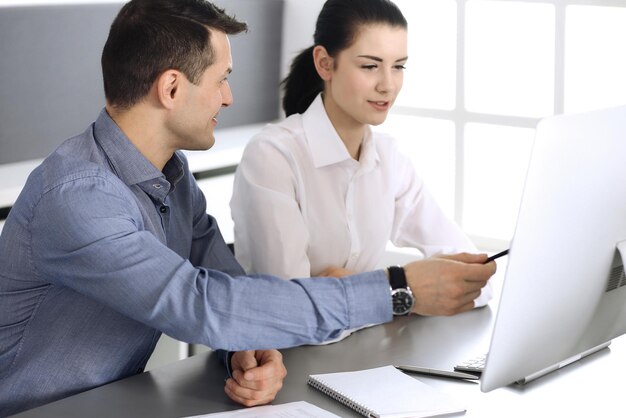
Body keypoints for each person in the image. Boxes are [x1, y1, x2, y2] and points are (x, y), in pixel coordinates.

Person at [0, 0, 495, 415]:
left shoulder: (171, 176)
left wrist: (246, 348)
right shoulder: (80, 196)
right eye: (221, 80)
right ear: (171, 89)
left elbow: (228, 287)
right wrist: (397, 290)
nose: (230, 97)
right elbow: (199, 303)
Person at [230, 0, 492, 307]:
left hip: (368, 348)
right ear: (325, 64)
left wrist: (364, 290)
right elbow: (293, 308)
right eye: (370, 66)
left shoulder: (389, 158)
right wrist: (402, 290)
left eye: (398, 66)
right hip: (286, 354)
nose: (388, 85)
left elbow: (477, 277)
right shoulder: (273, 156)